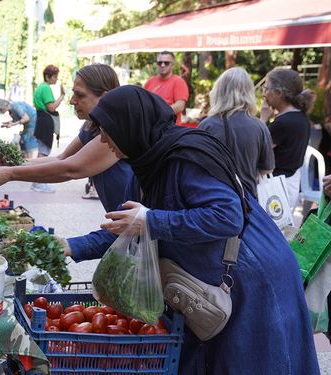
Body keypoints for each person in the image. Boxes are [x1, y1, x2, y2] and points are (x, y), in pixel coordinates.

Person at [92, 85, 319, 374]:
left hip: (253, 275)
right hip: (219, 282)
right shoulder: (145, 165)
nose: (102, 138)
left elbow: (227, 216)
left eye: (106, 129)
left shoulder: (184, 157)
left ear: (129, 125)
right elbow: (126, 225)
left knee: (256, 361)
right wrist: (70, 246)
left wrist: (152, 221)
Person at [0, 63, 132, 261]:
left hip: (136, 222)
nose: (72, 101)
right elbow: (61, 158)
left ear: (106, 96)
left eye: (80, 95)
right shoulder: (90, 126)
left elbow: (70, 170)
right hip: (121, 223)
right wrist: (12, 163)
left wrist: (10, 173)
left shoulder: (114, 132)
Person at [199, 67, 274, 198]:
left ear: (218, 92)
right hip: (247, 201)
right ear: (249, 93)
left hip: (212, 199)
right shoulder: (259, 127)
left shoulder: (206, 125)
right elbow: (267, 168)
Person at [260, 68, 316, 209]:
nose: (264, 94)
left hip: (274, 188)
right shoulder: (301, 117)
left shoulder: (283, 124)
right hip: (290, 184)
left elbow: (256, 149)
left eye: (266, 88)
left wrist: (263, 118)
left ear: (279, 93)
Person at [32, 64, 66, 193]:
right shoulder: (46, 88)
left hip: (41, 120)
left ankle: (38, 181)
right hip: (46, 121)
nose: (56, 79)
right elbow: (51, 107)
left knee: (41, 151)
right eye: (55, 76)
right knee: (43, 153)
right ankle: (39, 182)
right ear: (48, 76)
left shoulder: (40, 87)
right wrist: (62, 97)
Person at [144, 51, 189, 125]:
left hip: (170, 128)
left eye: (166, 63)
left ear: (172, 65)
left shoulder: (178, 81)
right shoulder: (150, 81)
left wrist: (158, 112)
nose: (162, 65)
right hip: (150, 127)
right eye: (159, 62)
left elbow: (180, 106)